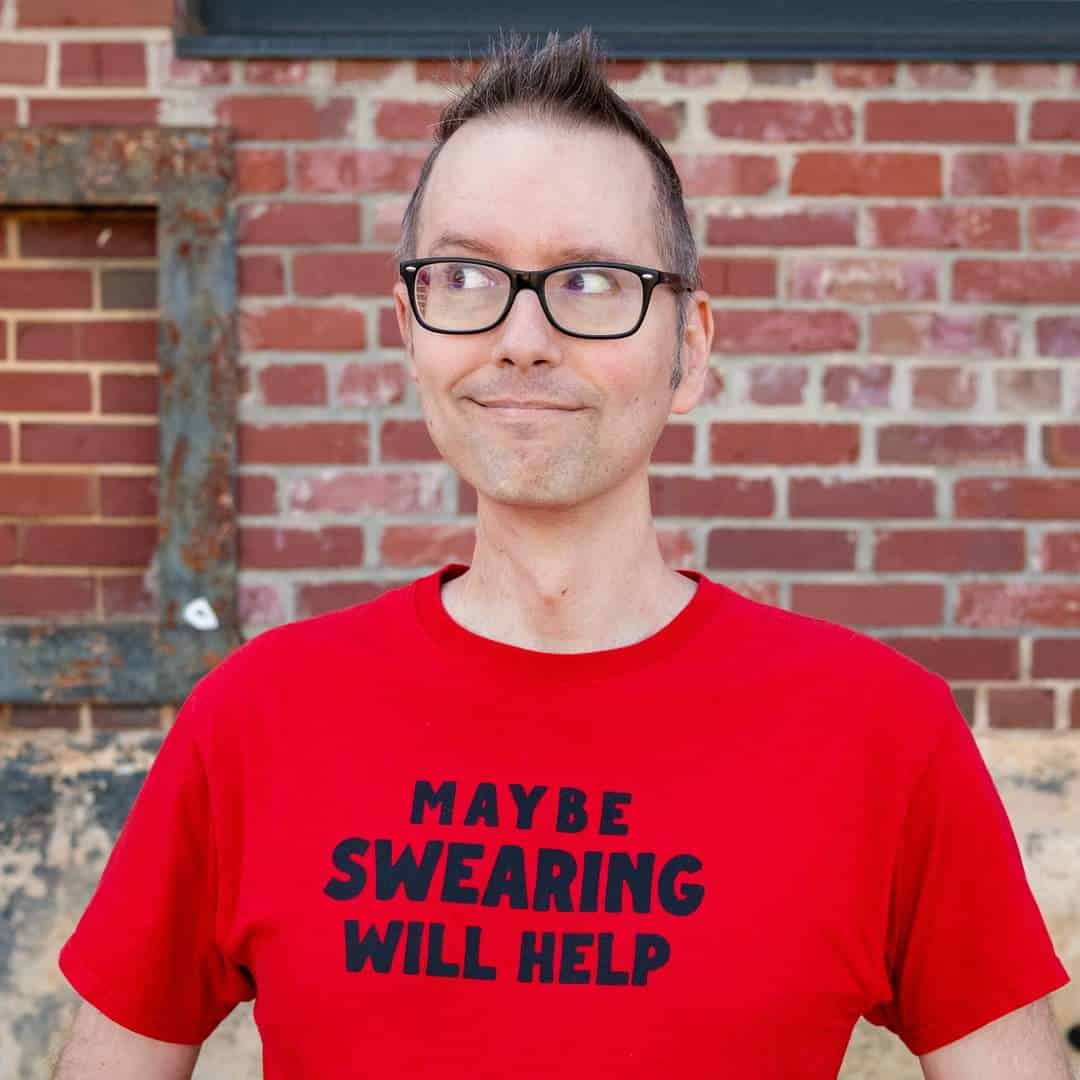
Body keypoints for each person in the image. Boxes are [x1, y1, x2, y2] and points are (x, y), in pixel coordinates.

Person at [52, 28, 1072, 1080]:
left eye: (590, 281)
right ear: (409, 329)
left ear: (690, 349)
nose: (524, 339)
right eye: (466, 275)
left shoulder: (881, 736)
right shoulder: (256, 720)